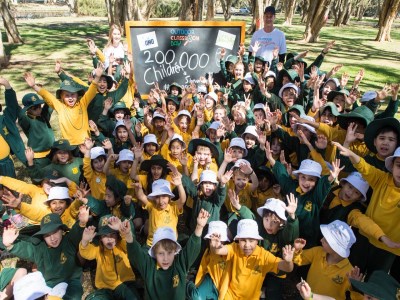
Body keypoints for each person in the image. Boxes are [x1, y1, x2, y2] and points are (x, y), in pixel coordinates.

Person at [333, 142, 400, 278]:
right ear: (392, 165)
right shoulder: (382, 178)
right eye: (399, 165)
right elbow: (365, 168)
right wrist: (352, 154)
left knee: (374, 282)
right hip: (364, 236)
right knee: (352, 272)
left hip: (389, 248)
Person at [1, 210, 89, 300]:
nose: (52, 238)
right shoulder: (40, 248)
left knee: (74, 296)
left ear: (62, 230)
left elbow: (77, 232)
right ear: (42, 236)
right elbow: (27, 249)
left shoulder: (69, 240)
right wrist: (10, 245)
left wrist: (82, 222)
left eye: (55, 232)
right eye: (47, 235)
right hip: (49, 283)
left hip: (71, 280)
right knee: (26, 290)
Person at [123, 209, 210, 300]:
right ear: (155, 253)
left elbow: (192, 249)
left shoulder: (179, 265)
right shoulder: (148, 267)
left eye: (169, 253)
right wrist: (128, 235)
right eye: (161, 253)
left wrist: (199, 226)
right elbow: (136, 254)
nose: (165, 258)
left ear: (175, 252)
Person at [210, 218, 295, 299]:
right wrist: (216, 246)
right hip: (230, 295)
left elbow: (288, 268)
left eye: (251, 240)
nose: (247, 245)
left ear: (257, 241)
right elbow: (219, 251)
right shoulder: (235, 248)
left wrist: (288, 262)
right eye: (243, 240)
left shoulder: (264, 256)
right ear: (238, 240)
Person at [80, 215, 140, 299]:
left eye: (113, 234)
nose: (109, 238)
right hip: (105, 289)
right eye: (105, 235)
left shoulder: (122, 245)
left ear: (117, 235)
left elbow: (130, 245)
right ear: (100, 238)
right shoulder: (98, 250)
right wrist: (84, 241)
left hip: (124, 284)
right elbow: (86, 253)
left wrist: (122, 230)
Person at [293, 220, 357, 299]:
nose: (321, 240)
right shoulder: (318, 251)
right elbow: (299, 259)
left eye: (326, 240)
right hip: (307, 296)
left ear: (336, 248)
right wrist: (296, 251)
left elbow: (351, 294)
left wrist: (355, 285)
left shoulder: (349, 272)